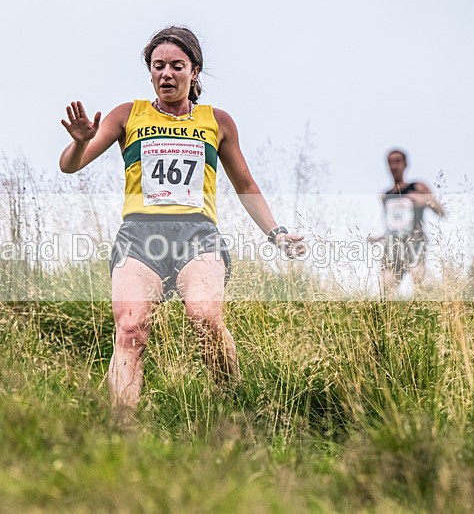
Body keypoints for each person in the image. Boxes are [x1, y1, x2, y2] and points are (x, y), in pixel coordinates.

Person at [59, 26, 304, 411]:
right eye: (158, 66)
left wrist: (277, 233)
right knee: (130, 329)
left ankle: (232, 405)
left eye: (177, 65)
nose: (167, 74)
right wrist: (79, 141)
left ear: (194, 71)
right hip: (139, 236)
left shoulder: (217, 121)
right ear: (150, 72)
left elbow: (245, 184)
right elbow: (70, 166)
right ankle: (122, 432)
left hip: (197, 235)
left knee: (205, 316)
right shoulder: (127, 115)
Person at [372, 148, 444, 296]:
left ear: (405, 164)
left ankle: (420, 307)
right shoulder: (385, 196)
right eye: (391, 162)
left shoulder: (418, 187)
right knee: (387, 284)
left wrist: (424, 200)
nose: (394, 166)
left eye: (398, 161)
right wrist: (379, 237)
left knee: (417, 279)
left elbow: (441, 211)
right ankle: (388, 310)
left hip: (415, 241)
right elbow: (391, 224)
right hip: (392, 243)